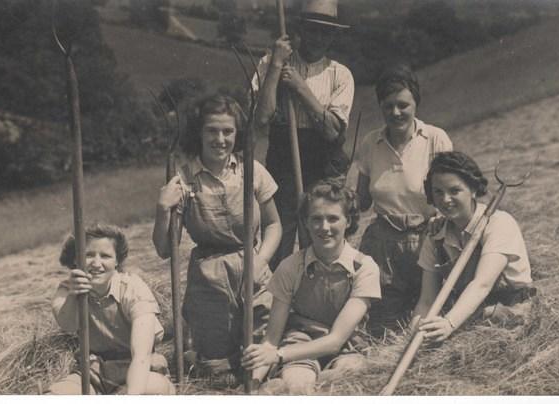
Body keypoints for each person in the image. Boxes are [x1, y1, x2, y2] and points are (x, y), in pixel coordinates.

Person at [152, 94, 282, 379]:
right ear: (198, 133)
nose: (220, 139)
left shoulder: (252, 171)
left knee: (263, 360)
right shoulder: (184, 180)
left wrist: (259, 262)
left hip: (254, 271)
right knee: (217, 371)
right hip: (208, 278)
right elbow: (164, 249)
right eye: (212, 130)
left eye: (228, 131)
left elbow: (274, 225)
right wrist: (163, 208)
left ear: (238, 133)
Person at [241, 179, 381, 394]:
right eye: (316, 219)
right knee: (297, 384)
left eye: (333, 218)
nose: (324, 227)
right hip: (299, 345)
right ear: (305, 222)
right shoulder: (290, 267)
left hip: (347, 347)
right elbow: (272, 340)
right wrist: (255, 380)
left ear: (349, 221)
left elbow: (336, 340)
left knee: (348, 379)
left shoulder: (363, 268)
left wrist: (278, 356)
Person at [252, 0, 355, 269]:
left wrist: (300, 87)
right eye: (313, 30)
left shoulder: (340, 75)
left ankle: (317, 303)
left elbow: (333, 131)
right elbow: (261, 119)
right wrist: (275, 68)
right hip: (282, 161)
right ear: (300, 30)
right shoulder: (271, 63)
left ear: (333, 35)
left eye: (326, 32)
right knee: (278, 240)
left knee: (320, 240)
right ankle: (276, 304)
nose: (319, 37)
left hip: (323, 164)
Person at [354, 63, 453, 334]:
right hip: (383, 246)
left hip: (428, 241)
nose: (395, 113)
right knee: (382, 328)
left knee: (425, 321)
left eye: (402, 105)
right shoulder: (369, 144)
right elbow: (361, 202)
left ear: (415, 103)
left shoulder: (435, 139)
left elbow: (452, 193)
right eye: (388, 106)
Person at [411, 151, 535, 341]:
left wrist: (449, 323)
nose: (445, 200)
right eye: (438, 192)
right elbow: (427, 300)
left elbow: (482, 284)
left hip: (511, 309)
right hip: (469, 311)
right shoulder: (435, 235)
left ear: (473, 190)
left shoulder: (498, 223)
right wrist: (415, 333)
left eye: (454, 191)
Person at [49, 224, 175, 395]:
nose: (96, 263)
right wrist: (74, 294)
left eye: (105, 256)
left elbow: (141, 356)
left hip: (136, 367)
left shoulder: (132, 288)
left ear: (117, 261)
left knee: (153, 389)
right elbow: (69, 325)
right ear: (75, 259)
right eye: (88, 255)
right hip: (93, 371)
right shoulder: (67, 289)